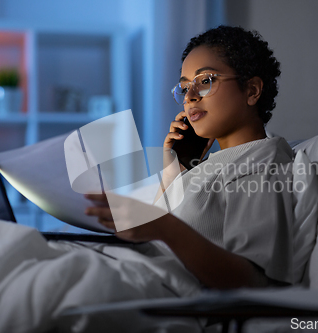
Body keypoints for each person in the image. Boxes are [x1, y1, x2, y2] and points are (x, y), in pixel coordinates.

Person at [85, 25, 294, 290]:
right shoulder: (210, 165)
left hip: (153, 292)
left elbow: (253, 281)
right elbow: (159, 227)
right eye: (184, 88)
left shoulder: (262, 164)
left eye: (205, 81)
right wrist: (177, 167)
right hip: (128, 272)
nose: (190, 97)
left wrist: (165, 228)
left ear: (252, 90)